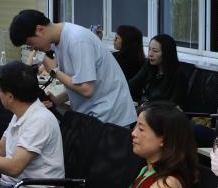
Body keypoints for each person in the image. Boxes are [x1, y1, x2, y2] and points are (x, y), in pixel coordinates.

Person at [9, 9, 137, 127]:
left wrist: (55, 71)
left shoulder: (77, 40)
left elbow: (87, 89)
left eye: (30, 43)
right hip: (96, 116)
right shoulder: (59, 42)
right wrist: (57, 100)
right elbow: (77, 82)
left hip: (112, 118)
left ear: (40, 29)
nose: (34, 49)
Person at [127, 34, 187, 108]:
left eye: (155, 51)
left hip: (163, 113)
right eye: (149, 49)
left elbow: (174, 105)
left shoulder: (178, 75)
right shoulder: (149, 66)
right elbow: (131, 85)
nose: (150, 54)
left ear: (167, 53)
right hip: (147, 109)